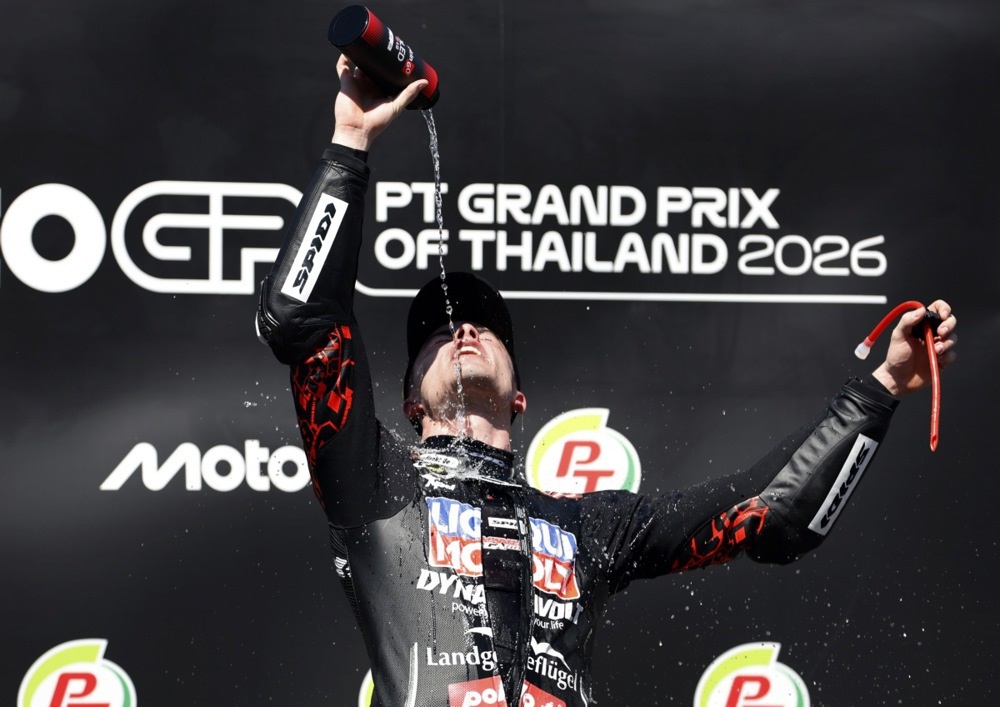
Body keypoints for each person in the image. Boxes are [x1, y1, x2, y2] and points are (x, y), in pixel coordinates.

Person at [257, 54, 958, 707]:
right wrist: (350, 144)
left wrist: (883, 386)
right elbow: (298, 319)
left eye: (486, 329)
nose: (463, 331)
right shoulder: (376, 481)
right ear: (411, 400)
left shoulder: (586, 526)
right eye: (438, 334)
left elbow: (772, 512)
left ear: (520, 395)